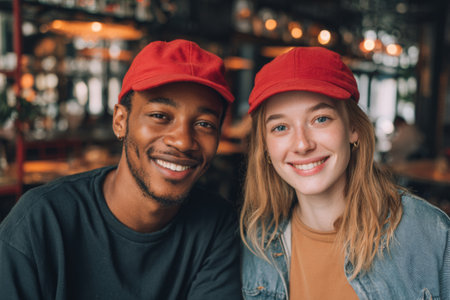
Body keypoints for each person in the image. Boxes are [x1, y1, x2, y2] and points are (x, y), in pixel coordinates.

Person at [0, 39, 241, 299]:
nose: (182, 141)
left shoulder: (219, 227)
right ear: (120, 121)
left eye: (204, 124)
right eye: (160, 116)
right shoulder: (41, 220)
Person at [240, 46, 450, 299]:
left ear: (353, 129)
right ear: (265, 146)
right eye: (281, 127)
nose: (302, 144)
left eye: (320, 119)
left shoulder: (427, 232)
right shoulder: (258, 242)